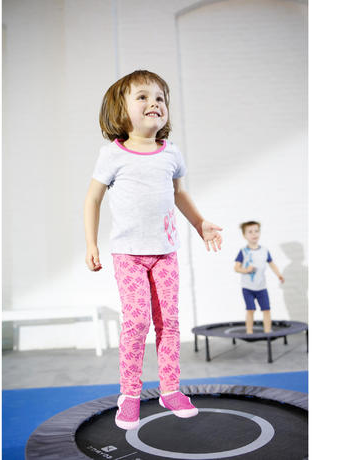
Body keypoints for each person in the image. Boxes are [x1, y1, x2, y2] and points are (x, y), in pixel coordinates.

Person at [84, 70, 223, 430]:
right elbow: (93, 199)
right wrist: (91, 243)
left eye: (160, 97)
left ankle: (170, 389)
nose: (154, 103)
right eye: (143, 97)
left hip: (165, 253)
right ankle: (130, 393)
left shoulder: (170, 153)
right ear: (121, 109)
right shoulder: (112, 155)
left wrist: (200, 223)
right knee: (137, 322)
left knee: (169, 322)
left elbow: (179, 194)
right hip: (128, 254)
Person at [234, 221, 284, 334]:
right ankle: (249, 332)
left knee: (266, 309)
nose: (254, 234)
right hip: (248, 288)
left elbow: (272, 264)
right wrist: (246, 270)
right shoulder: (243, 251)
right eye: (250, 232)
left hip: (261, 287)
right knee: (250, 309)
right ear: (244, 235)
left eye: (256, 231)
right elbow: (236, 268)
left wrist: (279, 275)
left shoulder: (264, 250)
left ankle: (267, 332)